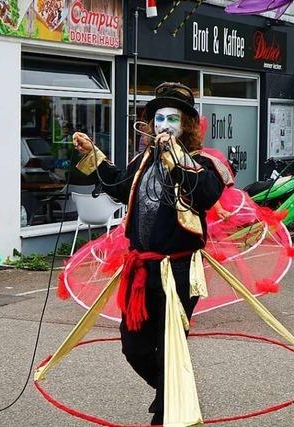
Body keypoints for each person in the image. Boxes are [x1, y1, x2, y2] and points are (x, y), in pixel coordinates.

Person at [72, 82, 229, 425]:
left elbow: (205, 196)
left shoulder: (204, 164)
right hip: (140, 271)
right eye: (159, 118)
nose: (164, 125)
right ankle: (174, 393)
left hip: (179, 271)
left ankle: (169, 409)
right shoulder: (142, 161)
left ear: (187, 125)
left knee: (169, 344)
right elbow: (117, 186)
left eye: (172, 118)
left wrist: (177, 161)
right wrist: (91, 153)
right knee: (134, 347)